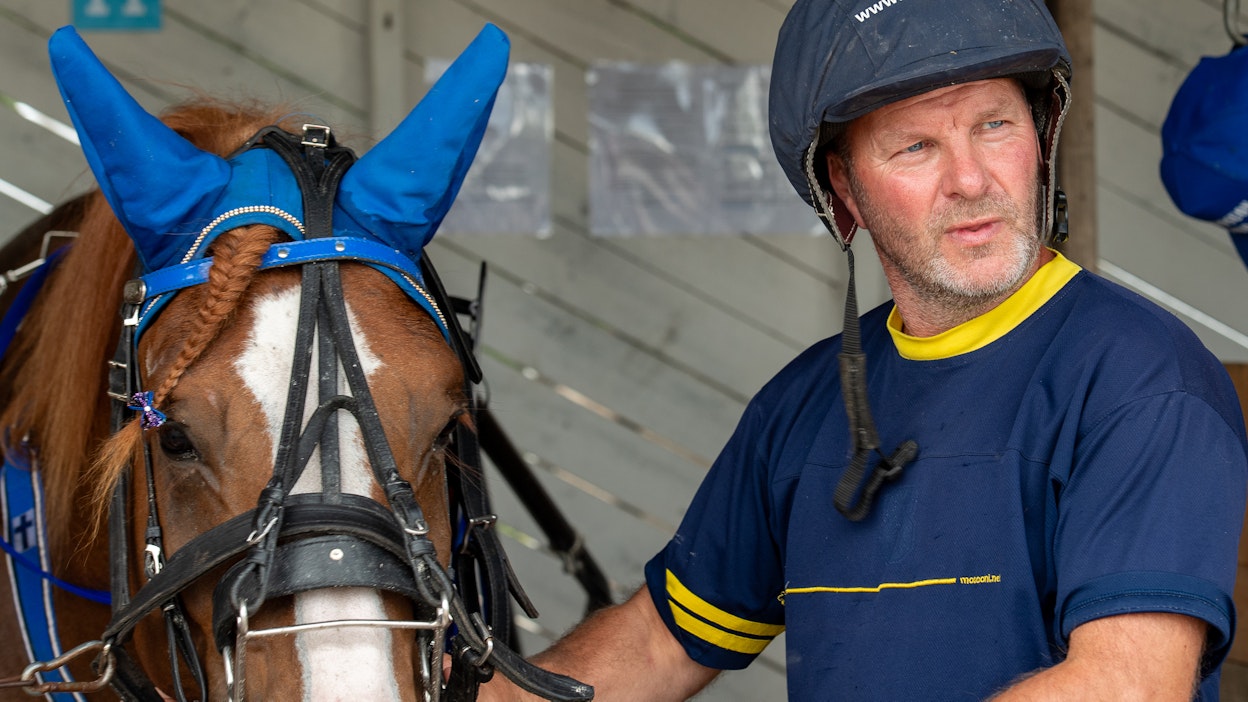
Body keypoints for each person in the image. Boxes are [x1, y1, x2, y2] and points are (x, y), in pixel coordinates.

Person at [482, 0, 1248, 699]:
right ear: (843, 190)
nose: (972, 179)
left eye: (994, 124)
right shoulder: (802, 407)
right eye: (916, 146)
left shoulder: (1142, 379)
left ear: (1040, 138)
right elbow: (656, 643)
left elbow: (1128, 685)